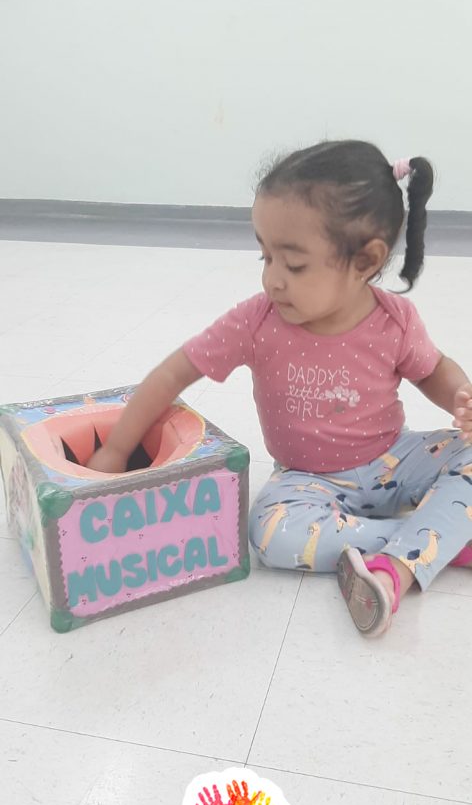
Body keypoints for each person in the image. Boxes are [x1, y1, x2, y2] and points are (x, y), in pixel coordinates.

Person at [87, 140, 472, 637]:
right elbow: (172, 374)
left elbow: (433, 370)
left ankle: (407, 554)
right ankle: (433, 540)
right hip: (306, 480)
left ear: (365, 260)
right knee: (268, 533)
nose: (273, 280)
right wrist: (116, 450)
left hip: (394, 459)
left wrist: (463, 397)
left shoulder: (395, 319)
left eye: (293, 264)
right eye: (265, 256)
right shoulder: (256, 321)